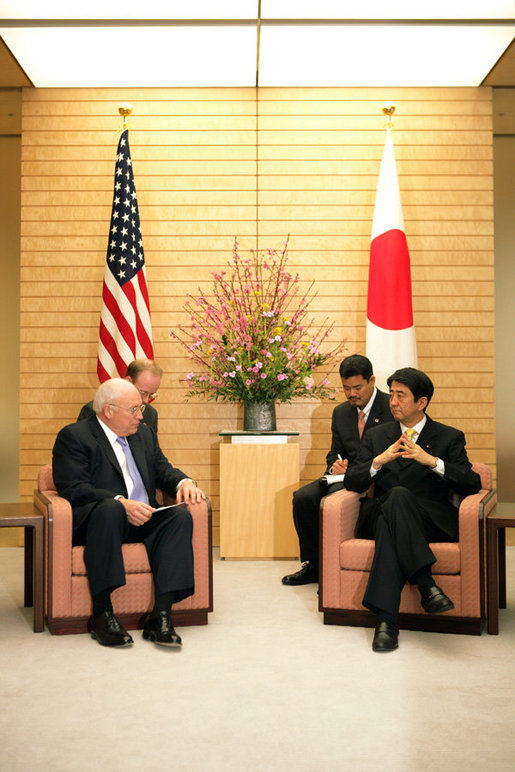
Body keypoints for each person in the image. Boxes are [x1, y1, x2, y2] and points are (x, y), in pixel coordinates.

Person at [53, 377, 206, 649]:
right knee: (110, 509)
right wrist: (122, 502)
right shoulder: (75, 436)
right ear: (108, 411)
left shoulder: (143, 434)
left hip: (142, 515)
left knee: (179, 516)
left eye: (142, 408)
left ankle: (160, 616)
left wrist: (185, 482)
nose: (141, 414)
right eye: (134, 409)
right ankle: (103, 615)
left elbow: (163, 469)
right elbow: (73, 488)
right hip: (102, 520)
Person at [344, 367, 481, 653]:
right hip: (380, 510)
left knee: (391, 520)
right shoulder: (377, 435)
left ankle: (386, 621)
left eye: (401, 396)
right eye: (391, 394)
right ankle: (426, 584)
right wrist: (378, 461)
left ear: (422, 402)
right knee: (395, 497)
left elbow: (471, 482)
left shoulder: (448, 437)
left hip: (428, 519)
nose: (392, 401)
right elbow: (352, 481)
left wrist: (432, 461)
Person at [282, 354, 394, 586]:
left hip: (378, 477)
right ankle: (314, 565)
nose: (352, 394)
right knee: (302, 498)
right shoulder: (341, 413)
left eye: (357, 387)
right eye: (346, 388)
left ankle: (333, 568)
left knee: (333, 500)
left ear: (372, 381)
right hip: (345, 476)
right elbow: (334, 451)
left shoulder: (391, 408)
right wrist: (334, 464)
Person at [77, 359, 162, 433]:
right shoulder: (95, 410)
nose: (146, 400)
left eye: (151, 395)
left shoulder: (151, 414)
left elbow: (152, 450)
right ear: (129, 381)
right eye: (143, 393)